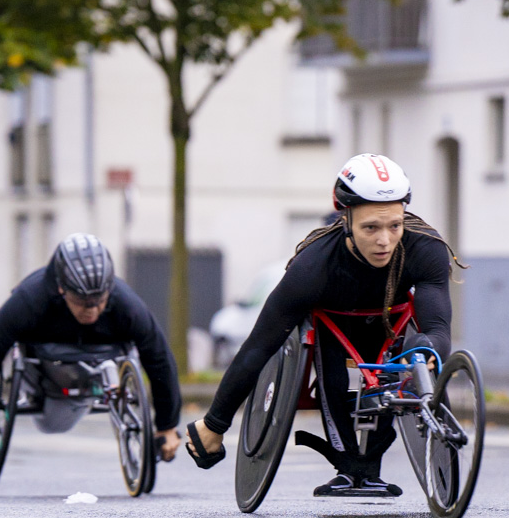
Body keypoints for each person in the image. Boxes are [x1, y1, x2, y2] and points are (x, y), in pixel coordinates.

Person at [184, 153, 460, 497]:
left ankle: (370, 466)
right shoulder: (312, 266)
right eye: (370, 227)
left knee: (399, 366)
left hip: (391, 324)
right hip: (334, 325)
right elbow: (258, 347)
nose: (385, 240)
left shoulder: (426, 247)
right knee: (335, 376)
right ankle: (348, 467)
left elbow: (437, 326)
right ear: (346, 219)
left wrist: (427, 355)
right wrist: (214, 424)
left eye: (395, 226)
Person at [0, 233, 182, 461]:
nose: (91, 310)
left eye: (99, 301)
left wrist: (166, 426)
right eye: (81, 301)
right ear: (61, 288)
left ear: (109, 290)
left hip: (101, 357)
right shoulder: (29, 299)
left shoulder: (126, 303)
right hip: (43, 368)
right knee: (50, 423)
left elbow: (158, 357)